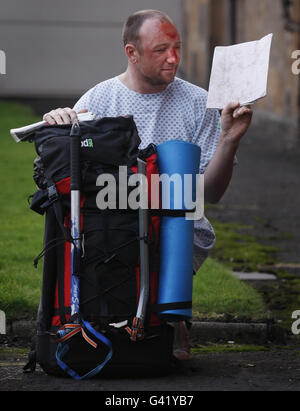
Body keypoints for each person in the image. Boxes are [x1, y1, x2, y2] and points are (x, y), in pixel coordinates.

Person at [43, 9, 253, 359]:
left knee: (170, 229)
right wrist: (58, 123)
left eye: (177, 47)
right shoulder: (99, 101)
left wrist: (229, 139)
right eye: (160, 49)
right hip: (113, 219)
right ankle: (117, 325)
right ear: (132, 52)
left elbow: (211, 194)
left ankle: (167, 318)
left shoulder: (199, 103)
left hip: (177, 221)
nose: (173, 58)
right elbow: (68, 170)